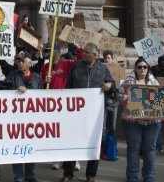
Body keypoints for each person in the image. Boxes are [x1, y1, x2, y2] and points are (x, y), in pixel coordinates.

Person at [59, 42, 115, 182]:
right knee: (72, 141)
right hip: (76, 112)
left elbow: (112, 83)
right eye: (83, 52)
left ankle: (91, 175)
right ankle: (67, 174)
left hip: (94, 115)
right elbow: (68, 87)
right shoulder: (76, 66)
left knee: (94, 142)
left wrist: (109, 85)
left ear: (95, 55)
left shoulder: (103, 68)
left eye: (86, 52)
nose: (83, 54)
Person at [118, 57, 161, 182]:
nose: (142, 69)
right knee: (133, 149)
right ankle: (132, 177)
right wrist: (123, 97)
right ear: (135, 69)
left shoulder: (154, 82)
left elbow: (162, 99)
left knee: (150, 150)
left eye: (144, 67)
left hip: (152, 123)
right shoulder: (128, 82)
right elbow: (119, 96)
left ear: (148, 69)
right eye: (139, 67)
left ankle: (149, 176)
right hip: (133, 123)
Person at [3, 53, 42, 182]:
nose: (19, 63)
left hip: (32, 120)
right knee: (17, 149)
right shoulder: (12, 76)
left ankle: (30, 175)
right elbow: (3, 91)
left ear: (29, 63)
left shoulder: (37, 78)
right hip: (16, 120)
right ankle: (19, 177)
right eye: (18, 61)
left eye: (22, 61)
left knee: (31, 148)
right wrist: (15, 89)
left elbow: (42, 97)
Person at [40, 44, 76, 170]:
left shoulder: (67, 63)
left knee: (69, 132)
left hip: (66, 103)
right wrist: (45, 81)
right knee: (56, 132)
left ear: (59, 52)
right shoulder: (45, 67)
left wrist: (77, 47)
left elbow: (80, 61)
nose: (51, 54)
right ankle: (57, 158)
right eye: (48, 52)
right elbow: (41, 84)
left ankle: (73, 159)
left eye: (54, 51)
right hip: (52, 105)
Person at [100, 50, 119, 161]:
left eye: (108, 58)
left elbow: (121, 85)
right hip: (103, 101)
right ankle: (103, 150)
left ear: (112, 59)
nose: (107, 60)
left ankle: (113, 149)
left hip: (114, 102)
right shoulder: (102, 70)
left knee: (112, 126)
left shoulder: (118, 70)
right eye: (105, 58)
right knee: (103, 127)